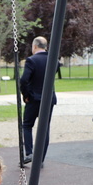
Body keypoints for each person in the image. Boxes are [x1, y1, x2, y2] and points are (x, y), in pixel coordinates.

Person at [20, 36, 57, 164]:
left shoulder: (31, 60)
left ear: (35, 46)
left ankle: (29, 153)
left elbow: (24, 80)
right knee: (44, 128)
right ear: (45, 47)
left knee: (27, 125)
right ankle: (40, 159)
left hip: (34, 98)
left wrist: (26, 94)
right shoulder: (53, 60)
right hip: (49, 98)